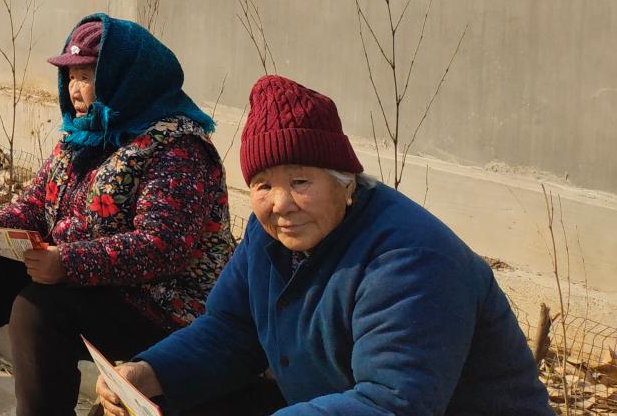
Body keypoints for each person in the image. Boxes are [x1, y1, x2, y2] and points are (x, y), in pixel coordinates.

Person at [96, 75, 552, 416]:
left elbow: (392, 403)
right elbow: (231, 331)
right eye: (263, 185)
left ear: (345, 182)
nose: (281, 204)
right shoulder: (268, 234)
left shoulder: (409, 259)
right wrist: (149, 372)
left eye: (300, 182)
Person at [0, 15, 236, 416]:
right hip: (89, 278)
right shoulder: (84, 136)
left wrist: (69, 263)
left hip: (160, 303)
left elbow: (162, 247)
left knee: (38, 311)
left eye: (86, 76)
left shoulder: (177, 147)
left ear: (125, 78)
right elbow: (36, 205)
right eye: (70, 76)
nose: (74, 88)